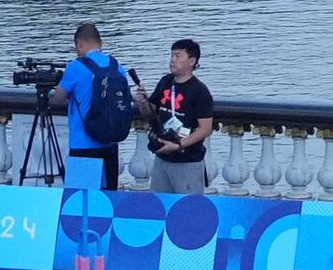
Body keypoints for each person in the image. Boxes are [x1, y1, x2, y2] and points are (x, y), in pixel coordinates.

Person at [53, 22, 135, 189]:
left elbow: (58, 99)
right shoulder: (116, 66)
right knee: (108, 199)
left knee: (81, 201)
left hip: (83, 144)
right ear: (100, 43)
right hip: (110, 142)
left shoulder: (76, 66)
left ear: (80, 44)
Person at [143, 35, 220, 194]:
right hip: (162, 156)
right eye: (171, 55)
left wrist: (179, 145)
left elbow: (205, 128)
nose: (172, 60)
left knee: (188, 209)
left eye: (178, 56)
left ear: (191, 61)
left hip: (187, 160)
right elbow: (149, 111)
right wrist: (142, 101)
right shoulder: (166, 81)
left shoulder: (199, 91)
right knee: (159, 204)